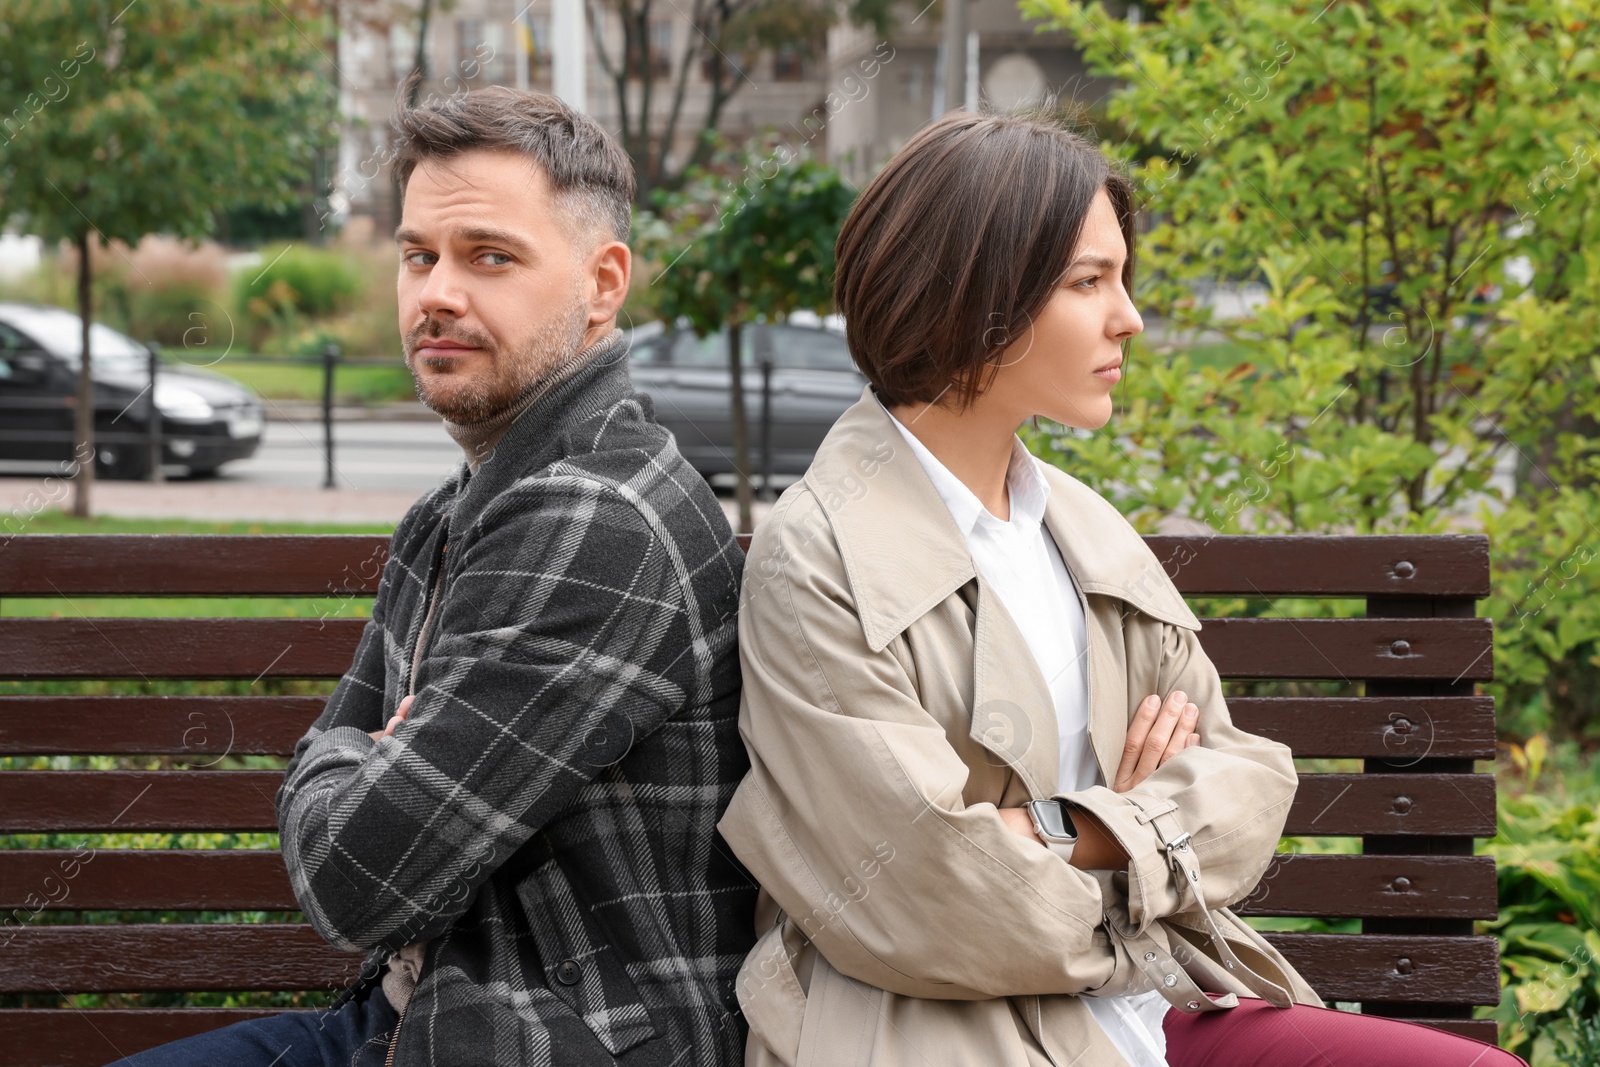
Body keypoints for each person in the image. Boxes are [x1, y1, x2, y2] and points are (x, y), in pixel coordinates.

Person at [715, 110, 1525, 1067]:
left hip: (1149, 1001)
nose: (1129, 315)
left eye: (1121, 278)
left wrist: (1069, 829)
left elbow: (1247, 782)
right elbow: (923, 889)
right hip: (940, 1029)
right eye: (1088, 281)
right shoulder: (819, 554)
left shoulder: (1080, 527)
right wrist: (1134, 829)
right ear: (971, 297)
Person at [112, 86, 755, 1067]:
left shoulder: (592, 521)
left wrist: (350, 755)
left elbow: (355, 878)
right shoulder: (456, 510)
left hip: (547, 1036)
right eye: (419, 256)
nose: (436, 293)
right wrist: (363, 756)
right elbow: (356, 820)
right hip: (422, 1011)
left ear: (604, 280)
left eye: (489, 257)